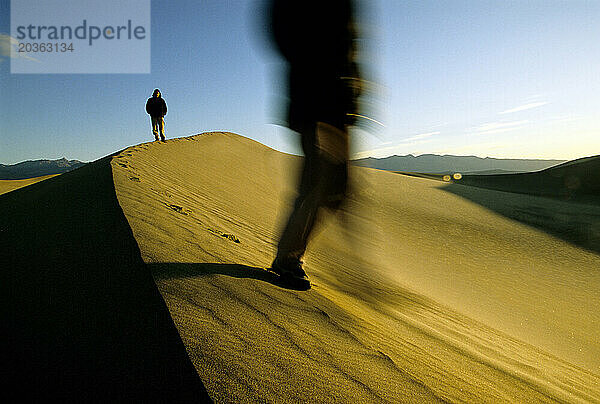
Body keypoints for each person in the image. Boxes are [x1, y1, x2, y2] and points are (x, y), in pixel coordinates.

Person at [268, 0, 362, 289]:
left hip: (338, 106)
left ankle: (301, 253)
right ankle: (288, 257)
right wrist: (318, 71)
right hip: (313, 101)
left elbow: (351, 45)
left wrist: (355, 92)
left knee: (339, 187)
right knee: (315, 181)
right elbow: (282, 33)